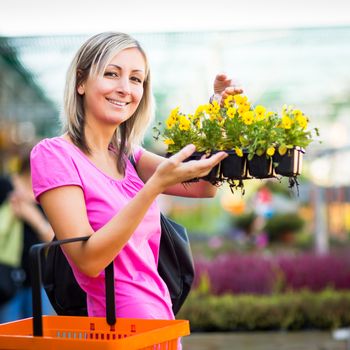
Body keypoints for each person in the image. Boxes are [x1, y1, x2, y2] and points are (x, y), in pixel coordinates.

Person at [30, 32, 242, 326]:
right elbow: (88, 261)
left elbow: (205, 185)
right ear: (80, 81)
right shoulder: (54, 155)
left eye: (135, 79)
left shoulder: (128, 155)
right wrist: (153, 188)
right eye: (111, 73)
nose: (124, 88)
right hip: (114, 330)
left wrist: (220, 114)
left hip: (159, 320)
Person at [0, 147, 55, 323]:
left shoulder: (49, 195)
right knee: (8, 334)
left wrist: (32, 216)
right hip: (7, 277)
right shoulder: (5, 188)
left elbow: (53, 239)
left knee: (39, 332)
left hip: (37, 278)